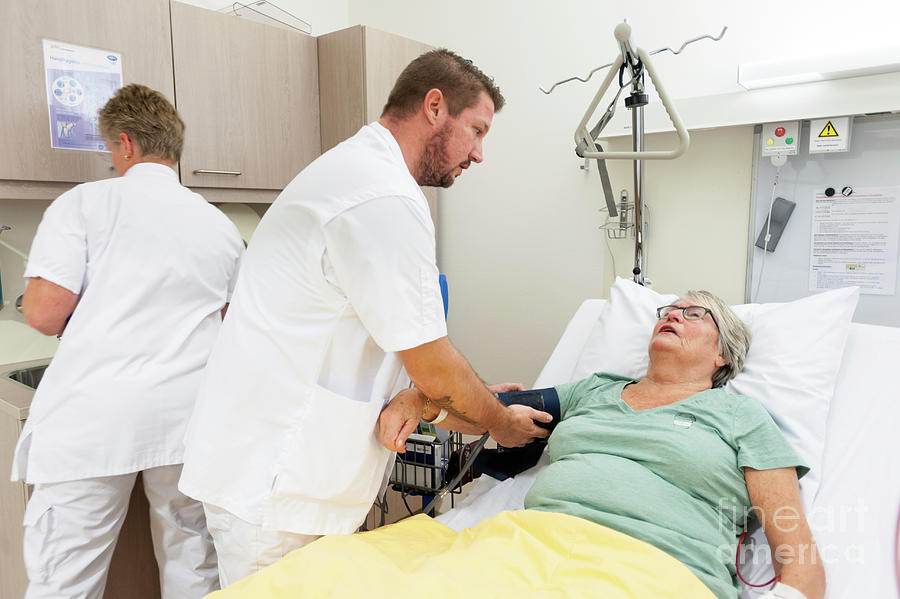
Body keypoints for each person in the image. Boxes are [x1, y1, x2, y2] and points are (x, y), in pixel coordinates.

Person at [178, 48, 551, 586]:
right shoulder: (382, 197)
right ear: (434, 106)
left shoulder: (356, 171)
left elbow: (389, 347)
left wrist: (422, 398)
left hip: (274, 474)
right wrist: (501, 422)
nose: (479, 153)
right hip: (277, 490)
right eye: (477, 130)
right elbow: (434, 364)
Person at [383, 290, 825, 599]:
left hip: (657, 571)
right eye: (669, 310)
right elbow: (490, 411)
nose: (672, 315)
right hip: (526, 548)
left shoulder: (742, 418)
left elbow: (798, 553)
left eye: (695, 315)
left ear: (722, 355)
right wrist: (419, 401)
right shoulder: (595, 390)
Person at [12, 84, 244, 598]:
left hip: (96, 424)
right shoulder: (219, 225)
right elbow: (232, 323)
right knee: (192, 559)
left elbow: (46, 316)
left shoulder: (84, 204)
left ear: (125, 143)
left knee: (65, 576)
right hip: (186, 422)